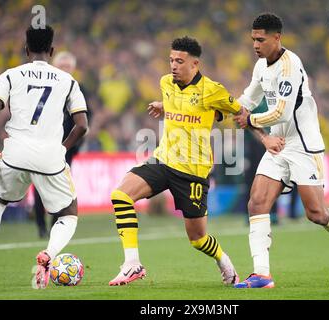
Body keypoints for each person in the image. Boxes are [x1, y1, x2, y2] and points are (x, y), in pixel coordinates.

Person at [108, 36, 281, 286]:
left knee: (197, 239)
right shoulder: (166, 82)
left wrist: (264, 140)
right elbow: (179, 105)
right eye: (171, 60)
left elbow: (241, 113)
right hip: (163, 160)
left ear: (195, 64)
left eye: (180, 61)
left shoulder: (212, 91)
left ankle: (224, 261)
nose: (173, 66)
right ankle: (132, 263)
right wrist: (163, 106)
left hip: (192, 173)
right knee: (121, 196)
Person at [233, 13, 329, 288]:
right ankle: (262, 274)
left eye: (260, 39)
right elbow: (248, 98)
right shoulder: (260, 66)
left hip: (303, 146)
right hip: (277, 145)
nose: (255, 45)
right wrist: (227, 109)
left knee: (316, 214)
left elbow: (283, 113)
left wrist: (249, 119)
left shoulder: (290, 66)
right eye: (253, 39)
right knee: (257, 202)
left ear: (277, 38)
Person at [0, 25, 89, 290]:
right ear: (52, 50)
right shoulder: (68, 80)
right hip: (50, 156)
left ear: (26, 50)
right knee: (68, 214)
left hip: (15, 153)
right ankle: (48, 255)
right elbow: (82, 125)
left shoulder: (10, 75)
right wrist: (63, 149)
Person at [33, 51, 89, 238]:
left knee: (60, 186)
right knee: (40, 184)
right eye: (62, 66)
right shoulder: (44, 87)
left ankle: (56, 223)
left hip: (67, 148)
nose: (65, 70)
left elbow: (86, 120)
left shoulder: (79, 89)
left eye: (68, 67)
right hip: (44, 145)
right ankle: (41, 225)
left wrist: (72, 146)